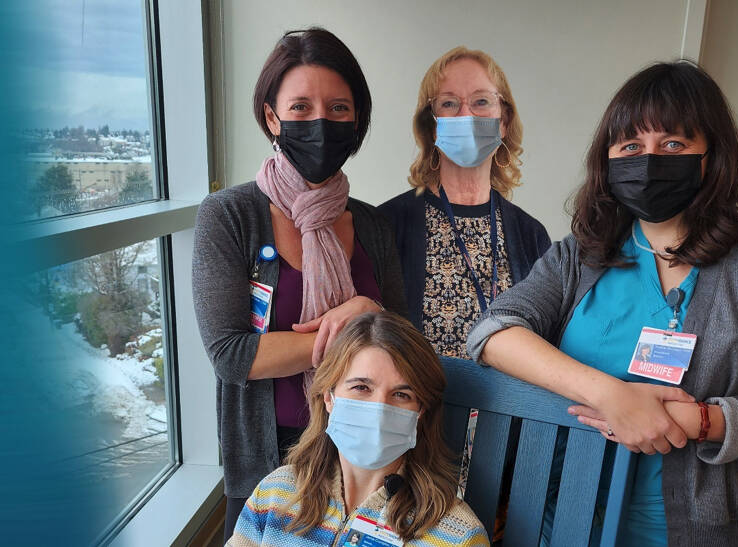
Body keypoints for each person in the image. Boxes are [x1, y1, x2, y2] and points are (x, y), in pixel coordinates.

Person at [467, 61, 738, 546]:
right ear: (608, 160)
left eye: (673, 144)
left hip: (701, 528)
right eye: (631, 146)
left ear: (711, 154)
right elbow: (493, 333)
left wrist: (702, 422)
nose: (649, 159)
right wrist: (612, 396)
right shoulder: (582, 254)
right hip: (560, 516)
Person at [192, 28, 406, 543]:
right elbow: (233, 354)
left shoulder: (372, 225)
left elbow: (403, 341)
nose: (320, 124)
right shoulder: (230, 217)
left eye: (338, 109)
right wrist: (357, 331)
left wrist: (368, 307)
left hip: (366, 457)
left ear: (357, 121)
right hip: (269, 459)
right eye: (301, 107)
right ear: (272, 117)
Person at [227, 312, 490, 547]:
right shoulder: (274, 494)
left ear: (421, 411)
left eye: (401, 394)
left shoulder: (459, 536)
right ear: (328, 397)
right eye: (361, 388)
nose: (379, 410)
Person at [378, 46, 549, 359]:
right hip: (421, 405)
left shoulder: (532, 236)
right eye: (449, 103)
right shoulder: (385, 225)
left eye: (481, 101)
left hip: (501, 406)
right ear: (431, 125)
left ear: (504, 120)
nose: (467, 115)